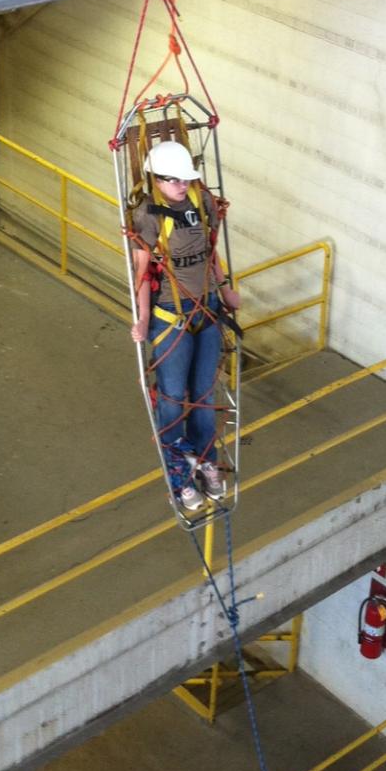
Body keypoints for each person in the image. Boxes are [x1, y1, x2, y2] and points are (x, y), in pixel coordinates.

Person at [130, 140, 241, 514]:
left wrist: (225, 290)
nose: (181, 186)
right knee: (174, 396)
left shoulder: (201, 202)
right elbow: (142, 272)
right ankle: (178, 472)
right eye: (173, 181)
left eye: (184, 179)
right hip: (170, 318)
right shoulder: (148, 214)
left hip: (207, 311)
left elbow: (210, 252)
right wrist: (143, 319)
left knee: (204, 394)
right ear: (157, 180)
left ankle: (204, 457)